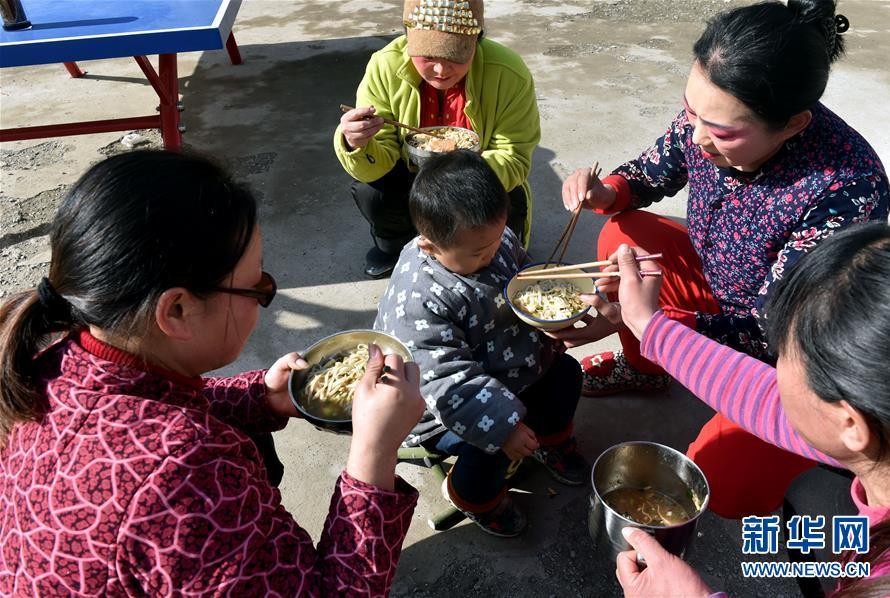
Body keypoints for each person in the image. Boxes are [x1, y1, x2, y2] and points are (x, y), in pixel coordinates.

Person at [0, 151, 425, 596]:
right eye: (257, 287)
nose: (265, 297)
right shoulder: (186, 476)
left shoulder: (47, 361)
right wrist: (374, 453)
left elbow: (155, 401)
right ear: (177, 309)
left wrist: (259, 396)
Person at [554, 0, 890, 519]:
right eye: (691, 112)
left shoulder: (846, 188)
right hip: (718, 275)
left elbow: (778, 336)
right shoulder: (712, 115)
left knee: (721, 484)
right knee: (624, 234)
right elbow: (655, 167)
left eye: (722, 132)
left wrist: (646, 321)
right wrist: (609, 191)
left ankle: (790, 484)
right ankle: (648, 369)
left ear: (793, 124)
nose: (696, 138)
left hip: (779, 347)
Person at [604, 223, 890, 597]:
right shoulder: (881, 432)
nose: (772, 370)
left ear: (850, 423)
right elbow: (766, 400)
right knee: (811, 498)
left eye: (784, 356)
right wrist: (648, 327)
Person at [375, 151, 586, 537]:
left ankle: (552, 442)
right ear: (430, 247)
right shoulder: (421, 297)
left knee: (567, 375)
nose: (492, 255)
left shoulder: (489, 235)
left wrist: (551, 310)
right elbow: (445, 380)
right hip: (444, 405)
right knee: (494, 440)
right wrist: (504, 428)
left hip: (507, 361)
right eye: (479, 254)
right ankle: (473, 496)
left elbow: (521, 274)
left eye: (496, 242)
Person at [335, 0, 540, 278]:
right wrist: (357, 143)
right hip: (411, 177)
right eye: (428, 55)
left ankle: (485, 254)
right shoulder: (385, 65)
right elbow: (377, 159)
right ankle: (395, 243)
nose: (441, 71)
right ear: (408, 39)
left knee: (503, 209)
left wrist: (460, 181)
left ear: (477, 40)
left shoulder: (508, 72)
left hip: (479, 179)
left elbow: (512, 156)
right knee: (372, 191)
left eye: (455, 55)